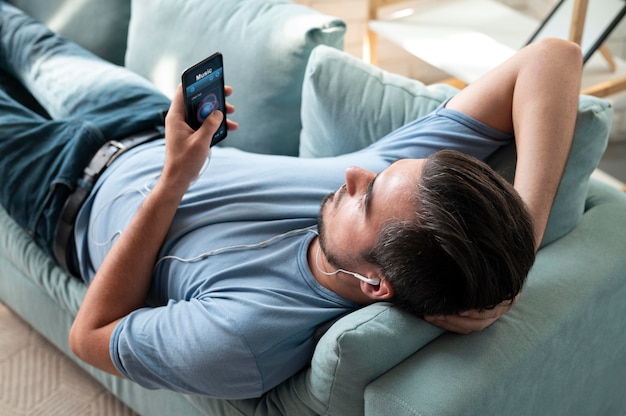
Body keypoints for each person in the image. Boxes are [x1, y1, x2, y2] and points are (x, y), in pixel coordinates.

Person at [0, 2, 582, 399]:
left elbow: (90, 336)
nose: (356, 172)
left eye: (368, 198)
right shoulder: (402, 201)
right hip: (143, 119)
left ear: (378, 285)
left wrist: (175, 180)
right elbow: (551, 56)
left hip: (62, 189)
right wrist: (522, 242)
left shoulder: (245, 337)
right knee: (23, 35)